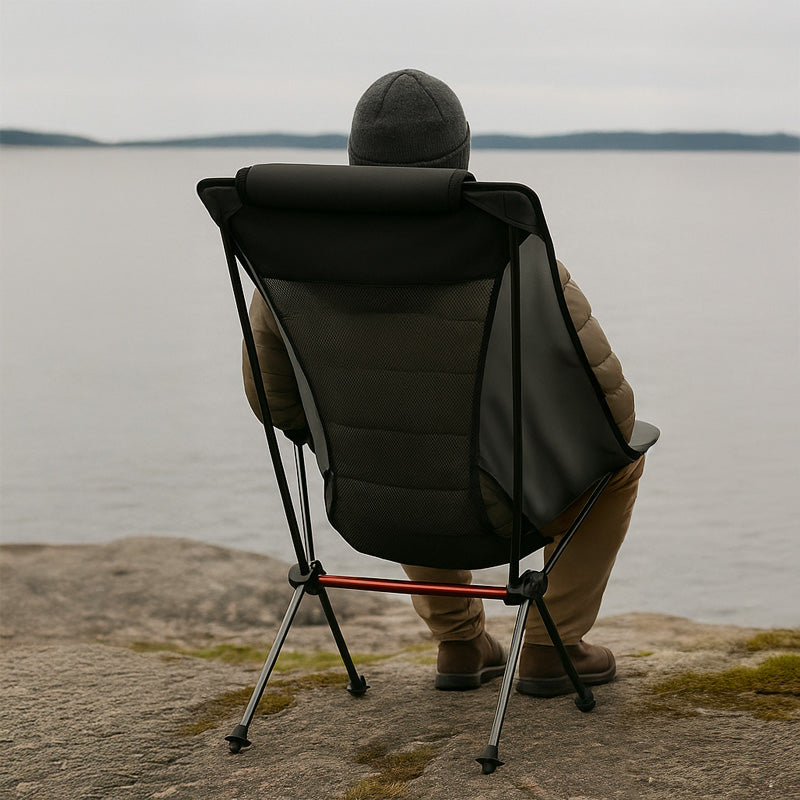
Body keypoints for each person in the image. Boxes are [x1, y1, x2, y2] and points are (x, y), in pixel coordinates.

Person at [243, 69, 644, 698]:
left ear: (355, 157)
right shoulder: (509, 250)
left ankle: (460, 643)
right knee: (619, 462)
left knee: (400, 441)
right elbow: (608, 414)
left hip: (368, 502)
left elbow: (272, 401)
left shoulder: (294, 261)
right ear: (460, 156)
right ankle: (549, 648)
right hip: (496, 510)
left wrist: (344, 436)